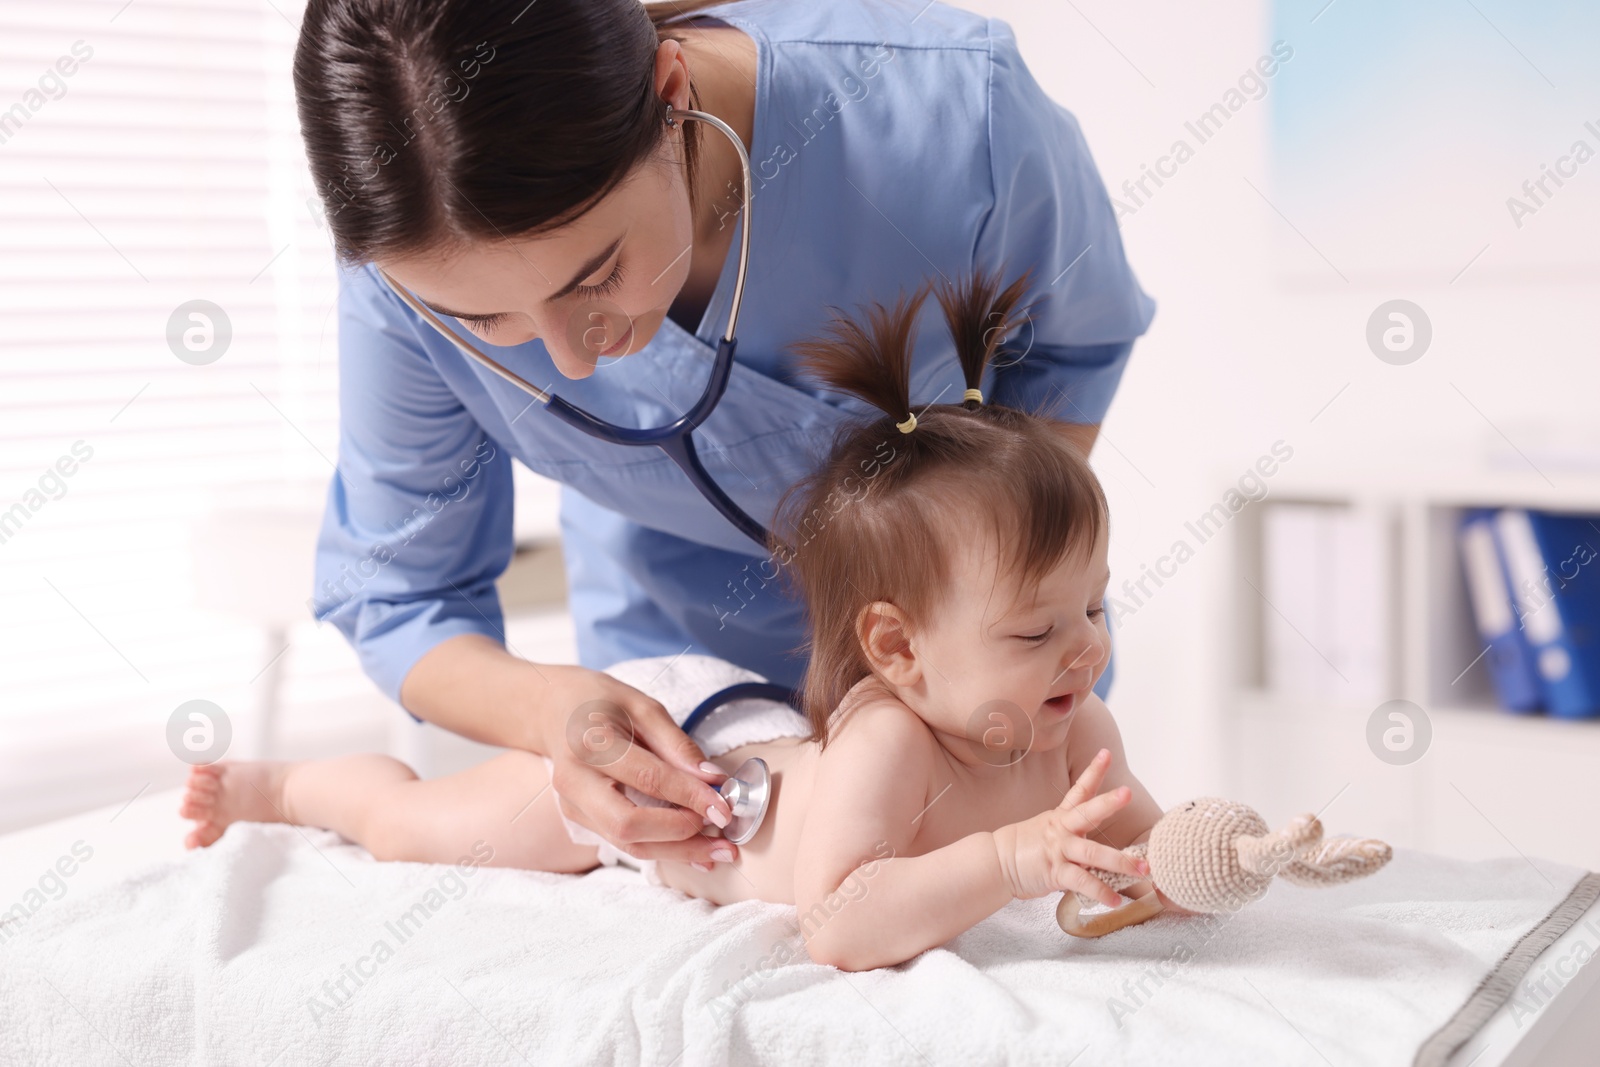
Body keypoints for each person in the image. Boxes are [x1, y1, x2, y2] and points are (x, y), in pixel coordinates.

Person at [294, 0, 1155, 871]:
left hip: (979, 689)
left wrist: (974, 612)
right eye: (485, 320)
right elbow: (399, 593)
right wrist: (550, 711)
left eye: (599, 275)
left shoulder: (959, 116)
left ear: (672, 95)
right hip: (675, 703)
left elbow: (1074, 344)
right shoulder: (403, 274)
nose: (572, 358)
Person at [182, 271, 1183, 970]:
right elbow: (838, 921)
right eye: (1034, 631)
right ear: (896, 649)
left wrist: (1204, 860)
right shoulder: (893, 737)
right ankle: (303, 784)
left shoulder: (1079, 733)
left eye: (1091, 604)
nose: (1088, 646)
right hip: (670, 759)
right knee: (421, 829)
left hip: (748, 740)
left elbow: (1140, 859)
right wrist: (1009, 859)